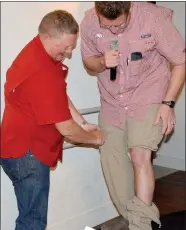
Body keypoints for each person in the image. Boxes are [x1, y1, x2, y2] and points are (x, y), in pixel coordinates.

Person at [80, 2, 185, 230]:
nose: (115, 31)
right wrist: (100, 62)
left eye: (121, 24)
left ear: (129, 8)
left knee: (140, 156)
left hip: (148, 95)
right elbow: (88, 61)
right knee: (112, 160)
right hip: (111, 101)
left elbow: (180, 61)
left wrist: (168, 104)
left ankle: (140, 226)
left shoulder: (153, 19)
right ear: (97, 13)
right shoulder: (89, 21)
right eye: (108, 26)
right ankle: (138, 217)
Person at [1, 10, 105, 230]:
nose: (69, 53)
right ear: (47, 37)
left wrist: (84, 122)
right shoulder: (41, 71)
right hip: (27, 154)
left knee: (29, 216)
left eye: (72, 46)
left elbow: (59, 94)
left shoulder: (38, 53)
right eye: (66, 46)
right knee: (33, 222)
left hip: (16, 147)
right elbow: (66, 129)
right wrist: (95, 139)